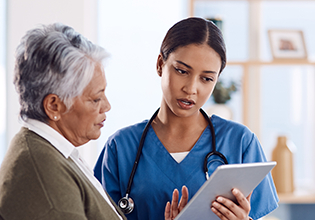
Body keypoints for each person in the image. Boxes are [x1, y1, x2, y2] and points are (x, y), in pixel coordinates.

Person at [94, 17, 279, 220]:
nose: (191, 89)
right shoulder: (121, 147)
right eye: (182, 71)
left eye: (206, 78)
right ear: (160, 64)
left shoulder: (240, 142)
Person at [0, 23, 127, 220]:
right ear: (54, 106)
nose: (106, 106)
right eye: (96, 99)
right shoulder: (43, 178)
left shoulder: (54, 152)